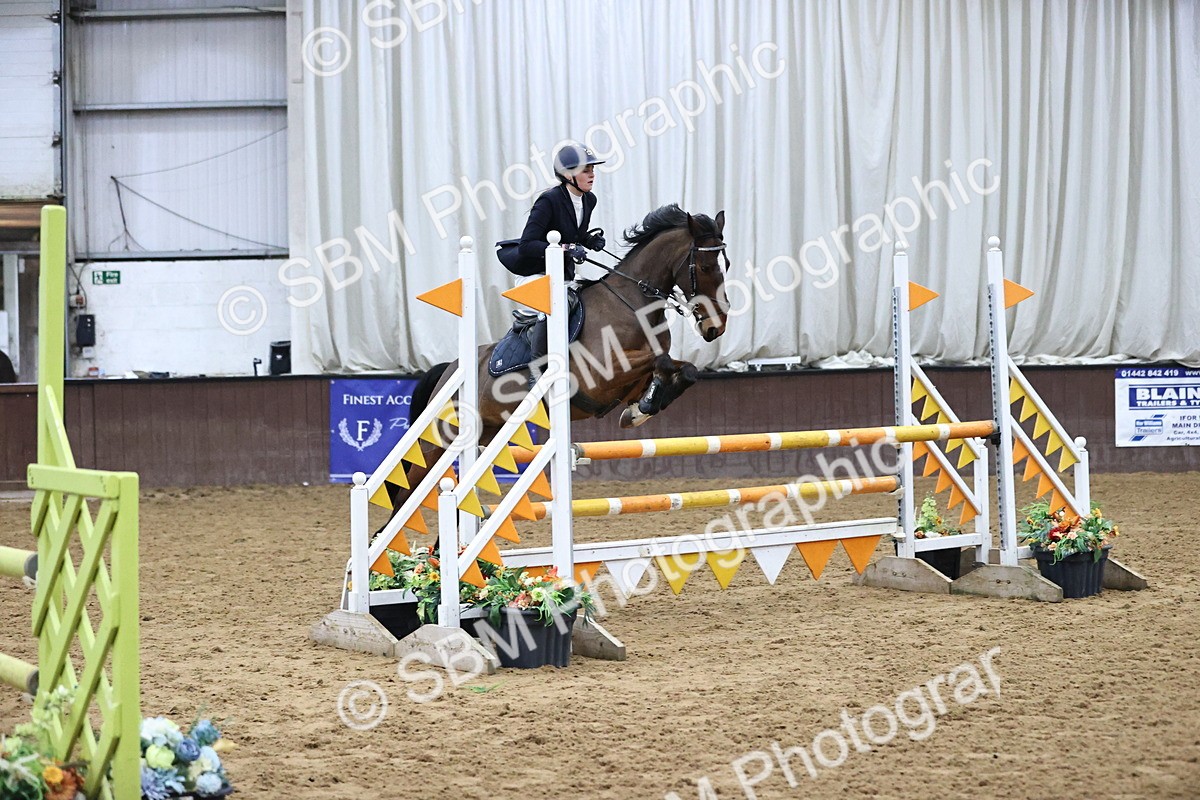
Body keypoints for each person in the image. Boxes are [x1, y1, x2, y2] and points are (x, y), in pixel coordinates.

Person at [512, 142, 607, 279]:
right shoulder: (549, 201)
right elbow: (526, 245)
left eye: (592, 170)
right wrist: (568, 249)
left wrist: (589, 240)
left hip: (564, 272)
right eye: (586, 171)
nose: (592, 175)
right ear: (568, 175)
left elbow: (572, 234)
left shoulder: (590, 200)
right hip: (536, 273)